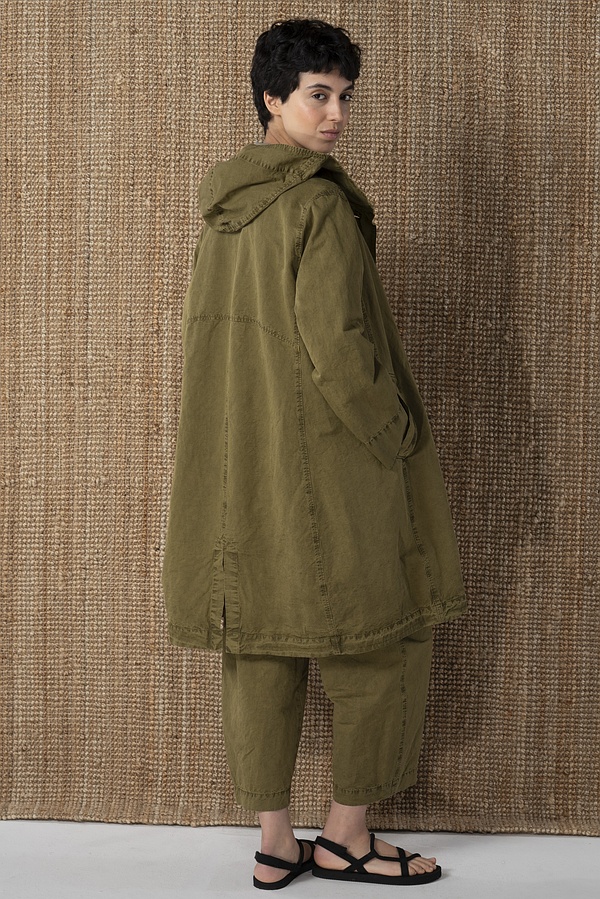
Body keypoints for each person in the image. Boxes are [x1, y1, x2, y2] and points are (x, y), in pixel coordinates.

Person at [162, 18, 467, 889]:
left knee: (258, 644)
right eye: (317, 95)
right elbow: (339, 351)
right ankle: (346, 837)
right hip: (330, 468)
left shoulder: (225, 212)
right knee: (383, 639)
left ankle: (274, 842)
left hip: (239, 472)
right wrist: (397, 433)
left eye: (344, 97)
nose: (336, 115)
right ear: (272, 98)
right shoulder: (318, 205)